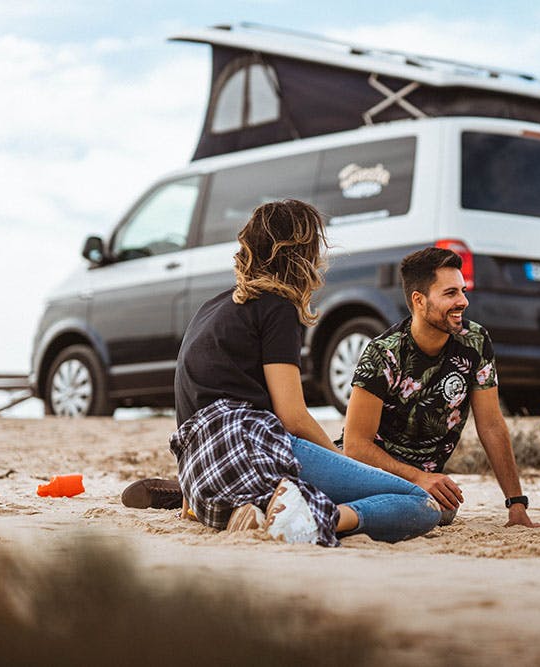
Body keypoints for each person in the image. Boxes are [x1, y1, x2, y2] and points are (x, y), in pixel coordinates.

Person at [167, 199, 441, 545]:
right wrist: (340, 459)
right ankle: (315, 516)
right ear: (302, 253)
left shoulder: (211, 308)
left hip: (196, 471)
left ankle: (254, 509)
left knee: (311, 486)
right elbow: (292, 416)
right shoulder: (276, 307)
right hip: (248, 445)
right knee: (422, 503)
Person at [341, 247, 540, 528]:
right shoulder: (383, 353)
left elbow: (492, 425)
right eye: (450, 293)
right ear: (419, 300)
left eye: (462, 290)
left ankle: (335, 512)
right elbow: (355, 445)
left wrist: (516, 504)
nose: (463, 301)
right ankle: (331, 511)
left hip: (424, 487)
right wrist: (418, 477)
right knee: (430, 510)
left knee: (441, 510)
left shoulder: (475, 341)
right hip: (367, 474)